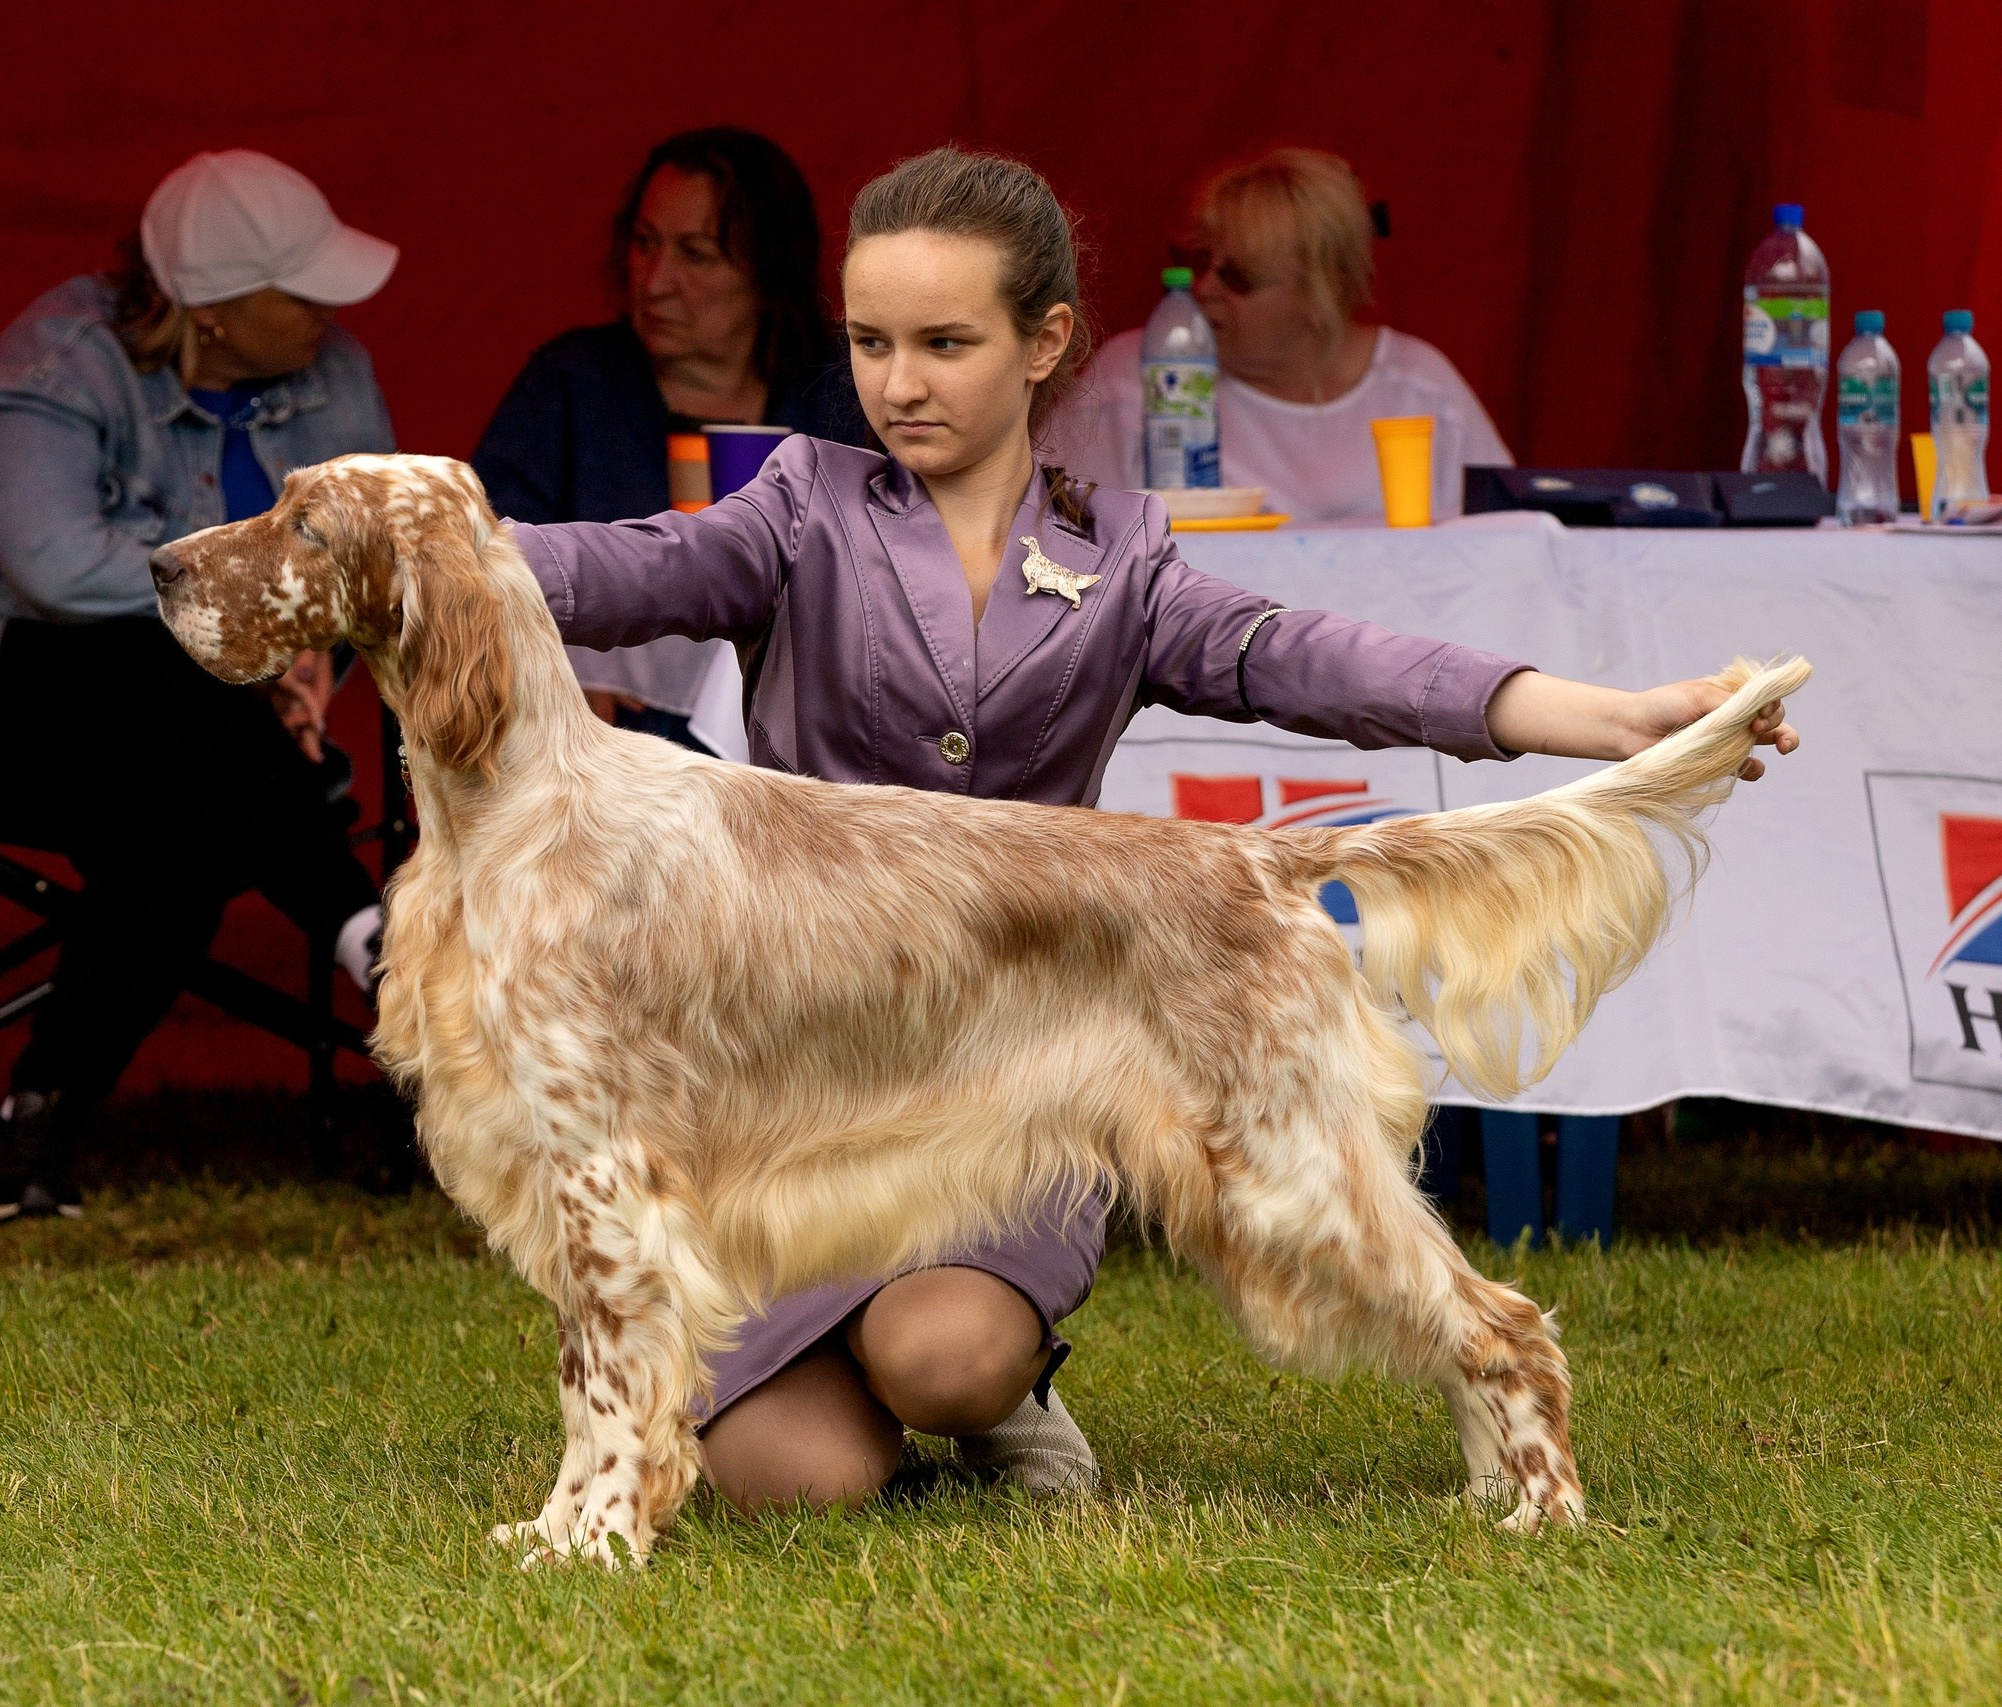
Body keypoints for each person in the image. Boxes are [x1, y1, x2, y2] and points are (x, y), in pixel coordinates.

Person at [512, 147, 1796, 1511]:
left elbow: (1314, 657)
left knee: (946, 1359)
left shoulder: (1119, 553)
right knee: (796, 1481)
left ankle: (1011, 1382)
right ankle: (882, 1386)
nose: (900, 381)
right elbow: (616, 564)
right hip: (803, 1084)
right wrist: (424, 540)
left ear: (1045, 341)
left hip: (1037, 1056)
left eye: (947, 342)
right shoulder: (794, 513)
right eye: (871, 341)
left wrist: (1596, 719)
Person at [0, 150, 398, 1222]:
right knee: (168, 677)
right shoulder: (51, 369)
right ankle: (379, 947)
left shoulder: (329, 368)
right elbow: (62, 571)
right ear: (209, 308)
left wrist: (311, 661)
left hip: (199, 738)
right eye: (298, 288)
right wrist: (265, 633)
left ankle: (35, 1134)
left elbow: (370, 553)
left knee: (182, 823)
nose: (328, 311)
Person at [472, 128, 871, 753]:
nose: (655, 281)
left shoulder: (846, 388)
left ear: (768, 268)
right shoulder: (572, 386)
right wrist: (543, 665)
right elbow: (471, 563)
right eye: (644, 243)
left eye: (697, 254)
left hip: (815, 761)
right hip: (615, 766)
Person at [1054, 148, 1512, 524]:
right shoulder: (1129, 384)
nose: (1203, 289)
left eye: (1240, 277)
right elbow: (1050, 542)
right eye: (1199, 262)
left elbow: (1510, 539)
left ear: (1322, 291)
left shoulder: (1420, 390)